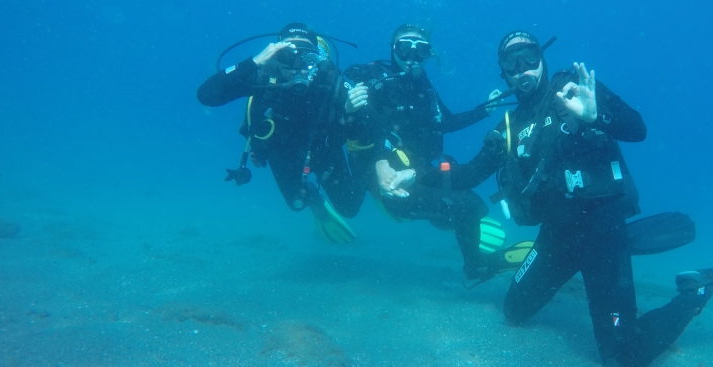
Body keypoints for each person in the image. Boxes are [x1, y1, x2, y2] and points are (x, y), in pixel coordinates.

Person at [435, 30, 713, 367]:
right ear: (503, 72)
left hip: (602, 231)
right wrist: (422, 173)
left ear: (542, 58)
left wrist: (595, 115)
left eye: (529, 56)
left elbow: (637, 129)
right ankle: (624, 246)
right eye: (511, 62)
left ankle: (699, 288)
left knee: (623, 358)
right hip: (556, 238)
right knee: (513, 311)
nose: (522, 67)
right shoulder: (509, 126)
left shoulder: (574, 89)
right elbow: (468, 176)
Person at [344, 24, 516, 280]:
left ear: (428, 54)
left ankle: (446, 218)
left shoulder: (424, 87)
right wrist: (349, 109)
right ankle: (475, 265)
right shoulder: (375, 84)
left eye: (420, 49)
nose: (412, 57)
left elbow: (445, 123)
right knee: (469, 208)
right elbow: (365, 128)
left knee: (474, 203)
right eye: (404, 48)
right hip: (392, 182)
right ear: (393, 49)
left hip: (420, 171)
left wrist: (483, 111)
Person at [196, 22, 368, 243]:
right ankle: (314, 198)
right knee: (297, 204)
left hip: (324, 151)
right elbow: (206, 95)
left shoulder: (328, 79)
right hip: (282, 153)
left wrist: (352, 110)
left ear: (317, 58)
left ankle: (365, 166)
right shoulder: (262, 77)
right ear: (275, 54)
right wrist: (254, 61)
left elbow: (369, 120)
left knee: (350, 208)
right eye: (288, 54)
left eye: (307, 56)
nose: (297, 65)